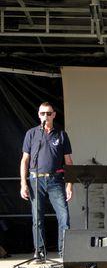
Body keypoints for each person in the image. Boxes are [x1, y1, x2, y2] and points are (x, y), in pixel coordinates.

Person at [20, 102, 73, 258]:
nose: (46, 116)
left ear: (54, 115)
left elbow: (68, 162)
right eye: (43, 113)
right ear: (38, 114)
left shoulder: (61, 134)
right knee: (37, 218)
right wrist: (23, 183)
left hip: (56, 179)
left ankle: (65, 252)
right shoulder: (32, 134)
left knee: (64, 216)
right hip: (36, 180)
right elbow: (25, 160)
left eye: (49, 113)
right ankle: (40, 252)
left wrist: (69, 185)